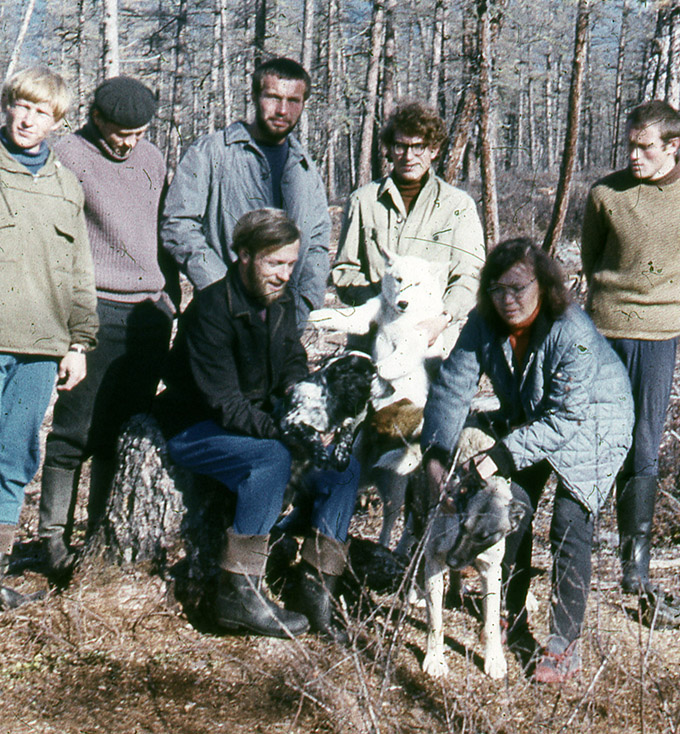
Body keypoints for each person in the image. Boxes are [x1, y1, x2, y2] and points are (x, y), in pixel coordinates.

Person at [422, 238, 633, 684]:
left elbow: (568, 416)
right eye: (497, 289)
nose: (508, 299)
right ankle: (508, 610)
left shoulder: (571, 331)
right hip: (533, 416)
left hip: (596, 419)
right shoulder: (482, 324)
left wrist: (498, 454)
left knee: (569, 522)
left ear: (543, 285)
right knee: (512, 505)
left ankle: (564, 643)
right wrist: (436, 456)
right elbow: (451, 388)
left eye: (518, 288)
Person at [155, 209, 360, 640]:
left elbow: (292, 358)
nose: (284, 274)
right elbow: (225, 404)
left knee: (343, 469)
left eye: (290, 264)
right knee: (271, 460)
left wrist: (299, 395)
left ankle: (317, 589)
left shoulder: (278, 301)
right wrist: (288, 433)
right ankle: (239, 592)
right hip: (196, 427)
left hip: (258, 419)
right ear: (244, 255)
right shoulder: (211, 310)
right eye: (274, 263)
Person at [0, 67, 98, 615]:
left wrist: (79, 343)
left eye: (42, 111)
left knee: (17, 457)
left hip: (43, 346)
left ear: (56, 121)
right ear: (6, 105)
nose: (27, 119)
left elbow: (79, 271)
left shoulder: (66, 185)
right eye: (21, 105)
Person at [581, 100, 680, 615]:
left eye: (644, 148)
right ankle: (574, 555)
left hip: (658, 339)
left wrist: (673, 317)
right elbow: (592, 259)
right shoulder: (605, 194)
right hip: (602, 333)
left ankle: (634, 565)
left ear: (673, 146)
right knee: (590, 441)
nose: (633, 156)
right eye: (629, 146)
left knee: (643, 444)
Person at [38, 76, 175, 574]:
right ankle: (52, 540)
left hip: (147, 315)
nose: (129, 143)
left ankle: (98, 536)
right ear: (97, 118)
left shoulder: (152, 160)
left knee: (120, 432)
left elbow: (161, 232)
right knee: (75, 432)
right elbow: (54, 242)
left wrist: (169, 301)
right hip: (92, 309)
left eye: (139, 133)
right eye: (121, 133)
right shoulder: (68, 157)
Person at [161, 57, 330, 325]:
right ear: (254, 96)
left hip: (284, 319)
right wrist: (222, 289)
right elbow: (178, 224)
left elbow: (318, 243)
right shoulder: (211, 152)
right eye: (273, 97)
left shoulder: (304, 167)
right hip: (221, 318)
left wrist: (304, 303)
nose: (282, 110)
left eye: (293, 101)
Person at [331, 100, 486, 353]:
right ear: (390, 149)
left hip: (433, 343)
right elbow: (345, 270)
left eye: (418, 147)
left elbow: (470, 275)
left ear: (434, 150)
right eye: (400, 146)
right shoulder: (363, 201)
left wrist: (443, 318)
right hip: (372, 342)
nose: (408, 156)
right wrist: (381, 307)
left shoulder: (458, 205)